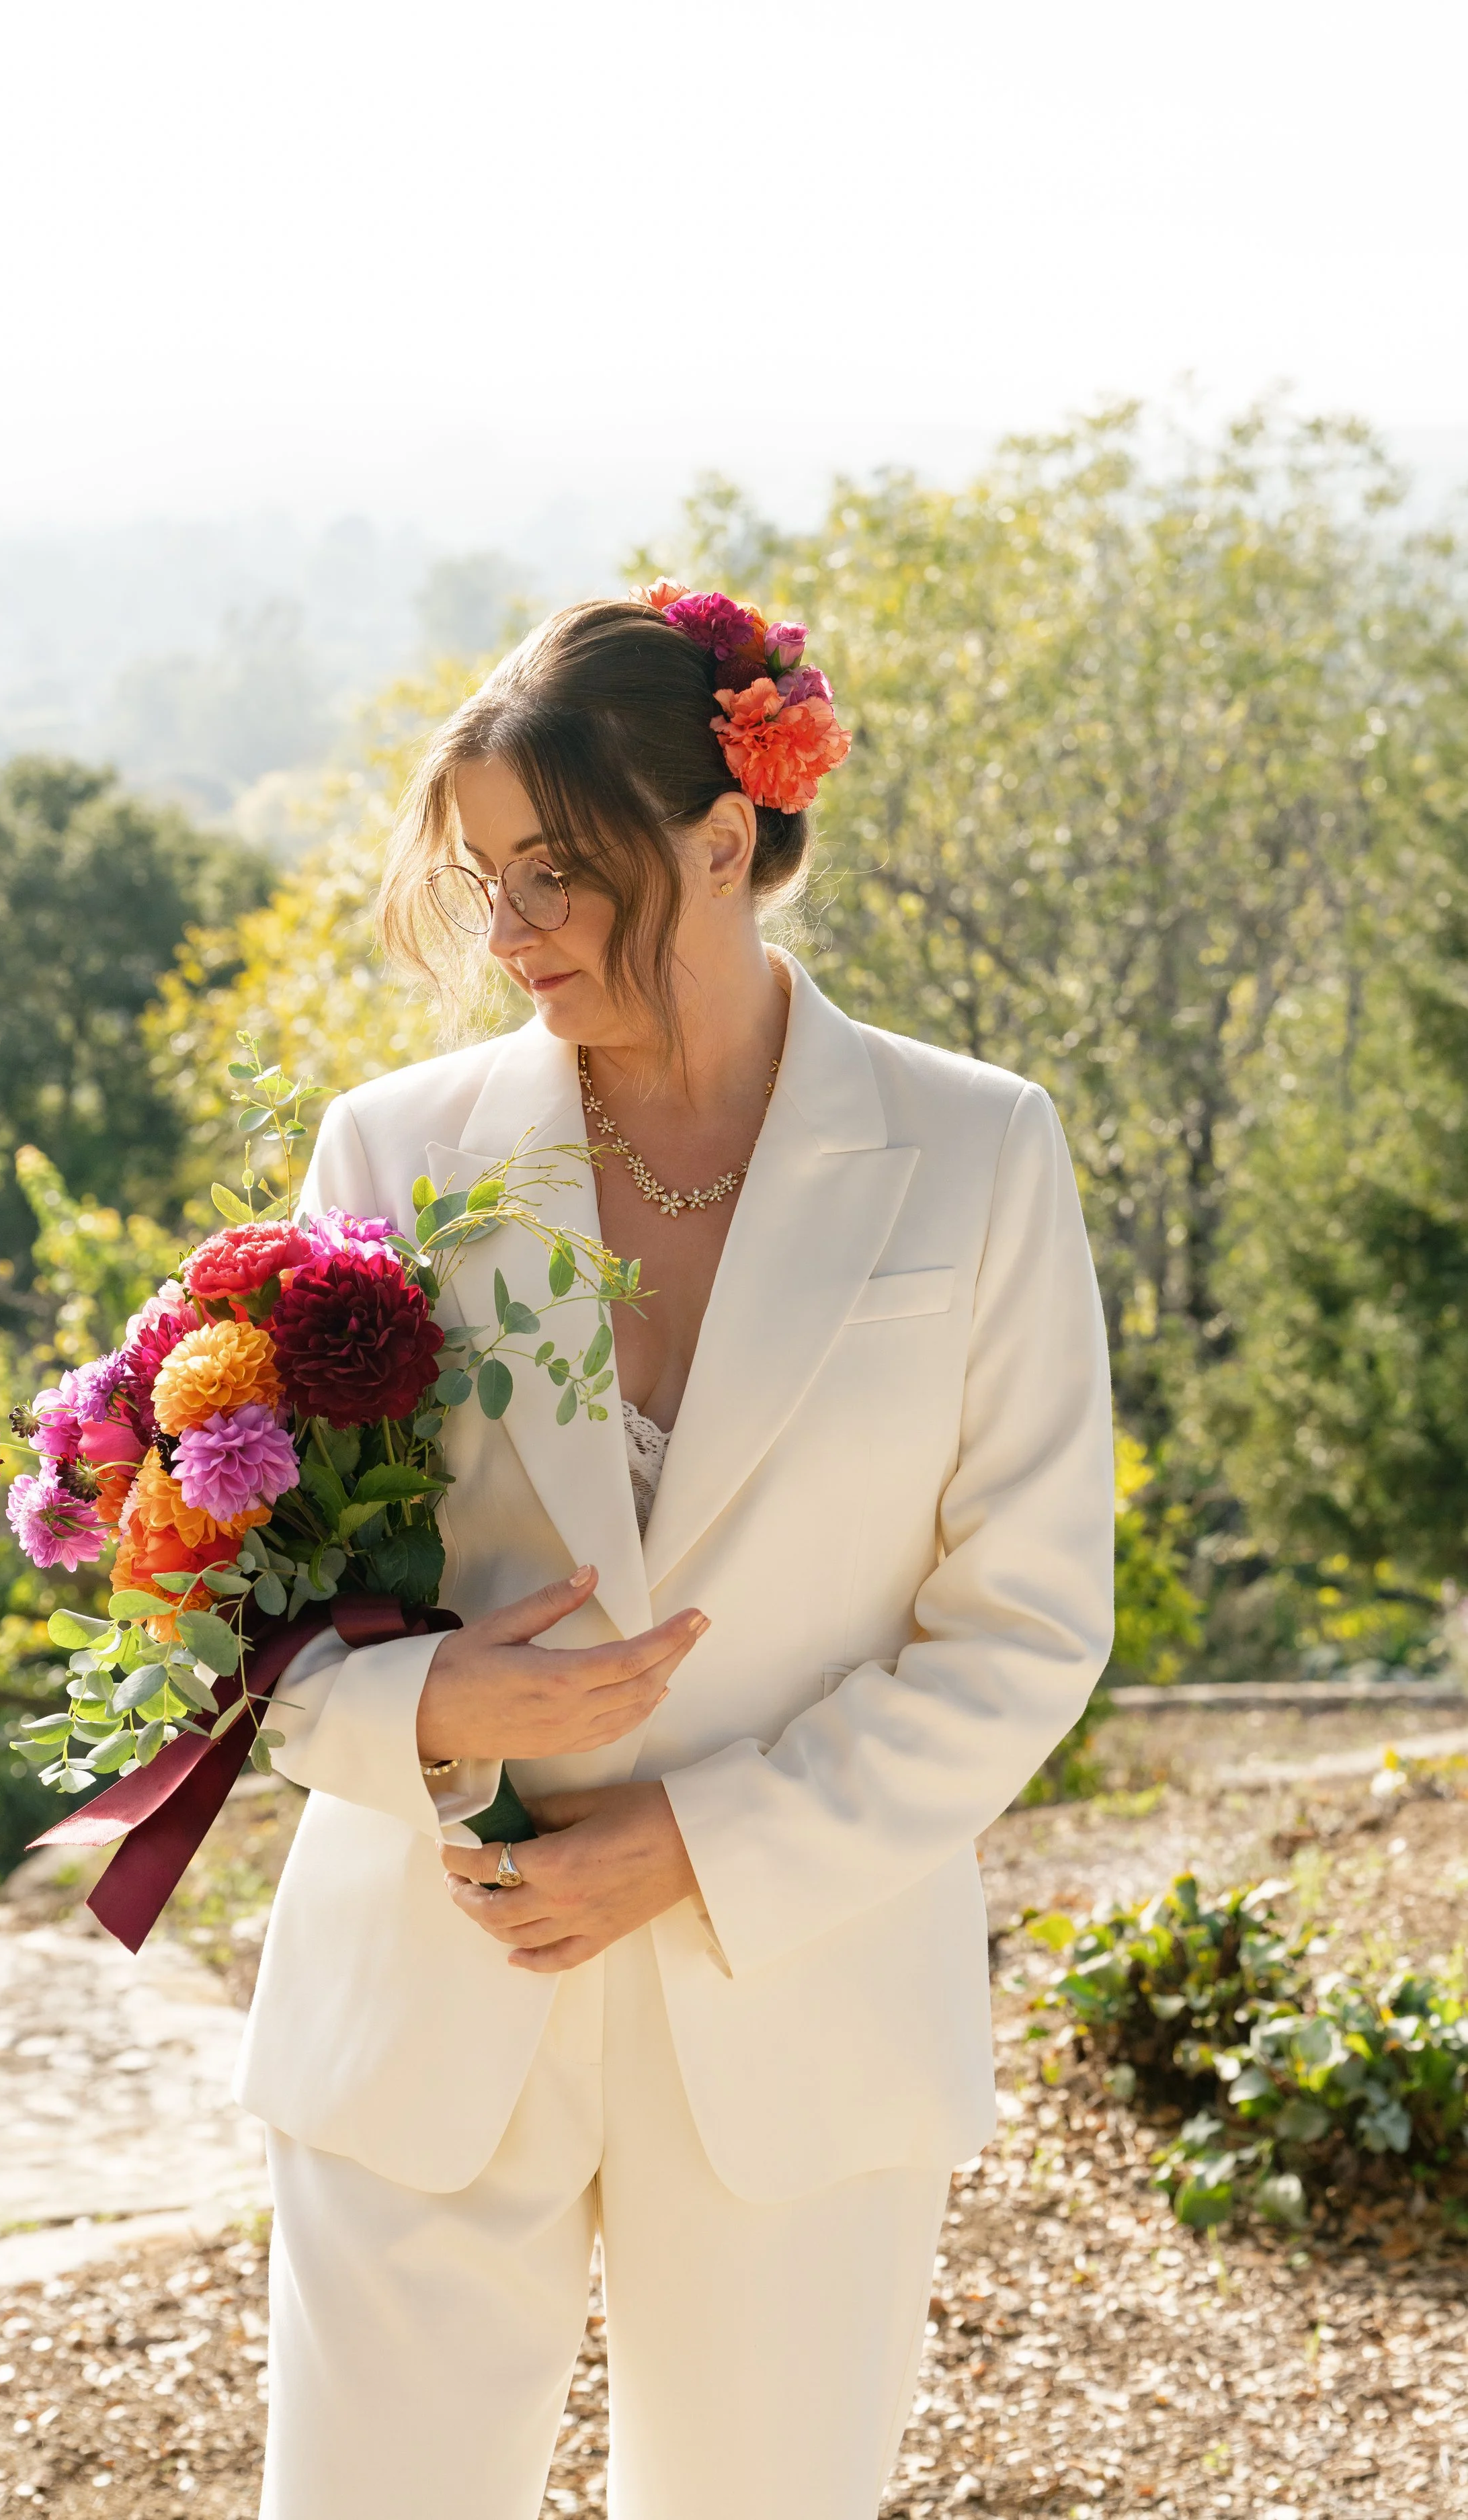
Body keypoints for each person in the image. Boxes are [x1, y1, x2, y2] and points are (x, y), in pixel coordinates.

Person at [234, 587, 1114, 2520]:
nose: (508, 929)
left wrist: (704, 1842)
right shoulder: (390, 1151)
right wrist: (429, 1707)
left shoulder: (977, 1153)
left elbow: (1026, 1620)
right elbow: (248, 1603)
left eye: (555, 871)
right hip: (423, 1998)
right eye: (479, 877)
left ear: (726, 838)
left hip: (796, 2010)